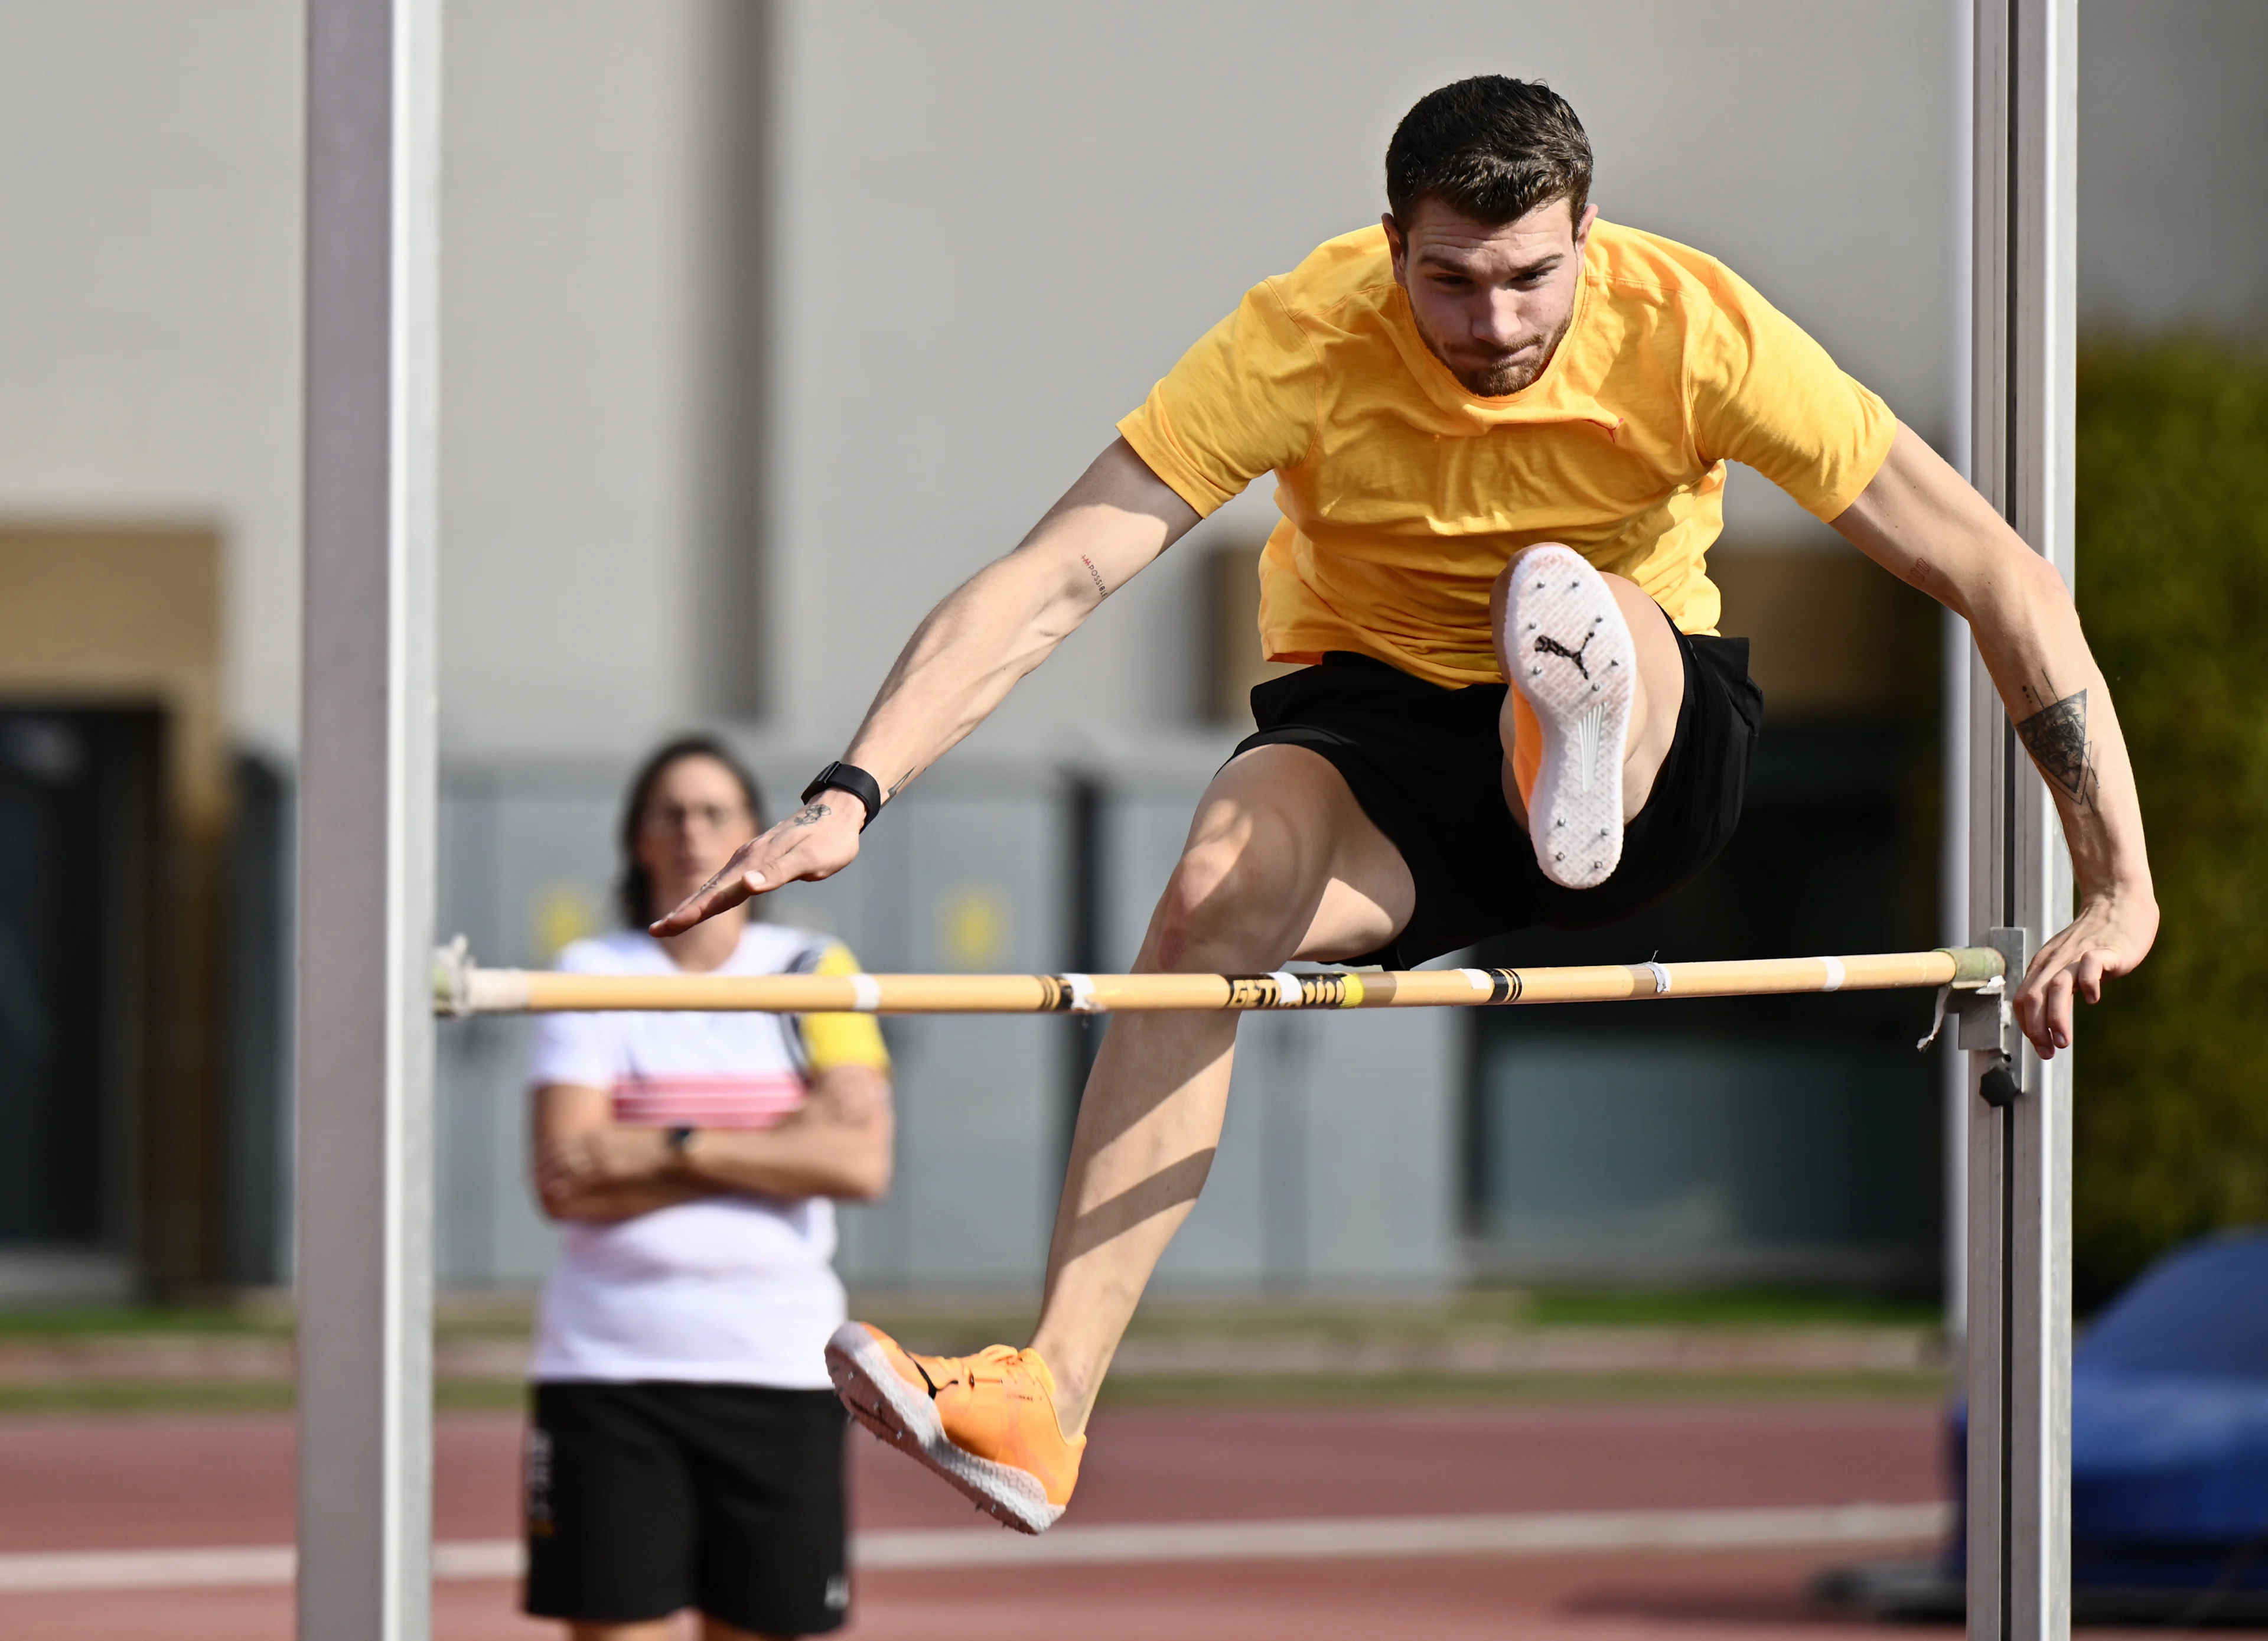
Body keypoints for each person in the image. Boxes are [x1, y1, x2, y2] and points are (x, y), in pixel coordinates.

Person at [654, 77, 2158, 1534]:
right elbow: (1063, 571)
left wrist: (2117, 882)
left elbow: (1990, 569)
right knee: (1209, 898)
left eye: (1529, 281)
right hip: (1377, 741)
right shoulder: (1303, 335)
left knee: (1581, 611)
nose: (1492, 326)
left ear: (1589, 236)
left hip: (1651, 735)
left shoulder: (1696, 329)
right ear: (1391, 248)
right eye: (1450, 283)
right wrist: (854, 792)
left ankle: (1569, 731)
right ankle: (1048, 1404)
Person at [522, 735, 894, 1639]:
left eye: (716, 811)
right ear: (639, 839)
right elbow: (569, 1179)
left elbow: (858, 1163)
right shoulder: (591, 974)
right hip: (610, 1373)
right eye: (671, 812)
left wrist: (669, 1144)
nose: (693, 830)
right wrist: (778, 1141)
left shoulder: (815, 968)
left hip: (778, 1367)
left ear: (751, 833)